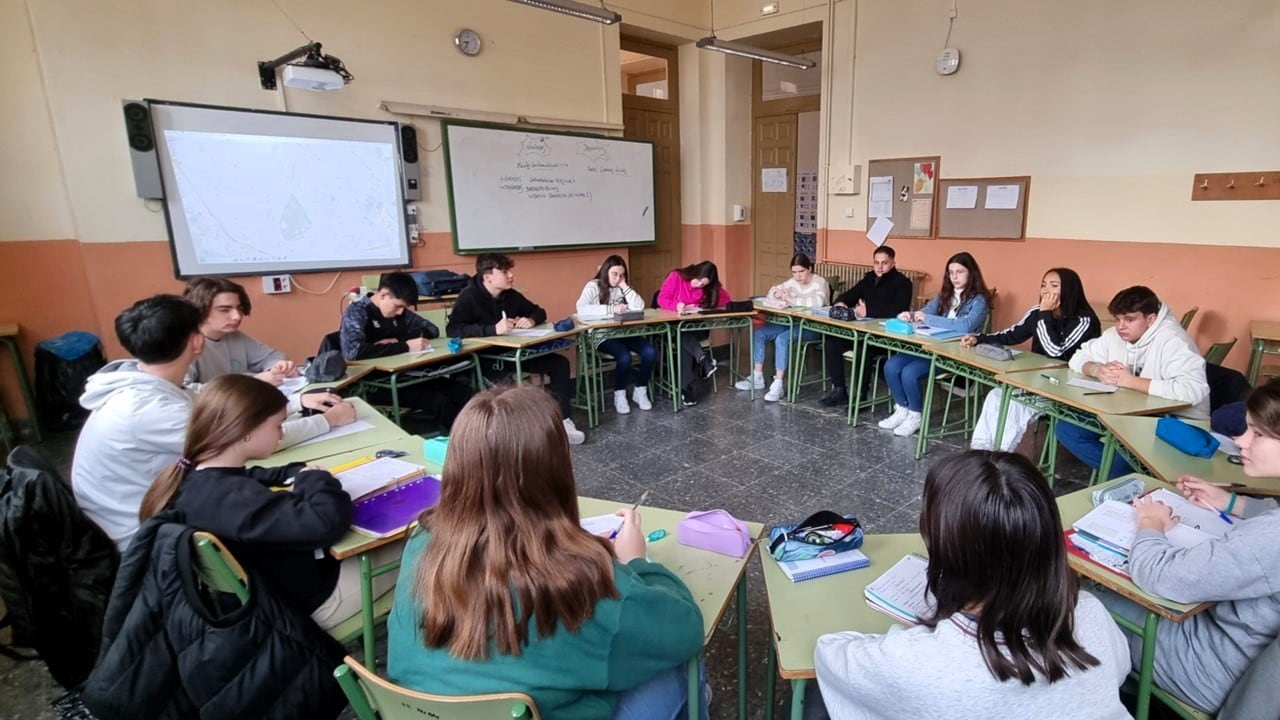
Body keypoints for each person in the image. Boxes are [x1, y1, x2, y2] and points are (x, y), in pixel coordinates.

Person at [386, 385, 706, 719]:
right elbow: (685, 629)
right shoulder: (581, 576)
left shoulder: (422, 543)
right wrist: (637, 561)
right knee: (679, 667)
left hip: (421, 712)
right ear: (555, 469)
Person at [813, 451, 1131, 719]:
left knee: (811, 703)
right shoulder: (1091, 613)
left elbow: (830, 653)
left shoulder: (918, 663)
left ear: (945, 548)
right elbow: (1117, 672)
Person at [72, 295, 354, 551]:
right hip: (144, 537)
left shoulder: (146, 383)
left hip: (154, 510)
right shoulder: (148, 410)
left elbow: (212, 403)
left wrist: (295, 404)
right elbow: (251, 436)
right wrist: (328, 421)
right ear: (197, 341)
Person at [1103, 378, 1280, 713]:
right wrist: (1232, 503)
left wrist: (1150, 525)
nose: (1240, 441)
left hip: (1216, 667)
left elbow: (1160, 576)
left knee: (1086, 603)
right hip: (1239, 645)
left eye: (1257, 433)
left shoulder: (1272, 538)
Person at [136, 374, 367, 629]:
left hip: (266, 594)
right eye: (278, 425)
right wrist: (316, 478)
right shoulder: (237, 501)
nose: (281, 434)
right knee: (411, 548)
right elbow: (328, 522)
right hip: (305, 605)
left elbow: (249, 474)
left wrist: (294, 471)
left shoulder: (193, 477)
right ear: (246, 430)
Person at [1055, 286, 1209, 478]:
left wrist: (1130, 381)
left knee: (1124, 452)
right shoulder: (1115, 334)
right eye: (1117, 319)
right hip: (1127, 412)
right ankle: (1130, 472)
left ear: (1151, 319)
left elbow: (1193, 390)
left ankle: (1133, 473)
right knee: (1068, 429)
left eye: (1129, 319)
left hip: (1174, 421)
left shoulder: (1174, 340)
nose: (1121, 326)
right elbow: (1077, 358)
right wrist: (1097, 369)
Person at [447, 253, 584, 444]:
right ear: (488, 276)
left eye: (510, 270)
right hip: (488, 359)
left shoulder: (509, 294)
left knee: (559, 363)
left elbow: (539, 311)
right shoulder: (469, 296)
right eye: (504, 272)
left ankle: (564, 422)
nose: (511, 275)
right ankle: (518, 436)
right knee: (508, 391)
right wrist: (492, 329)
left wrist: (530, 319)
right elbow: (453, 329)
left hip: (515, 352)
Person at [964, 268, 1101, 451]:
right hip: (1037, 380)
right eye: (1043, 285)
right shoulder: (1038, 312)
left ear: (1069, 290)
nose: (1045, 291)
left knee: (1014, 403)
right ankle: (980, 449)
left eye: (1054, 286)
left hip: (1065, 389)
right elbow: (1011, 335)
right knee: (996, 395)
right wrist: (979, 338)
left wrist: (1045, 315)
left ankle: (1000, 455)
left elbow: (1055, 351)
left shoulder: (1084, 320)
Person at [340, 272, 475, 430]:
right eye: (398, 306)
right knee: (439, 401)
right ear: (384, 295)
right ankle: (463, 441)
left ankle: (483, 435)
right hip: (376, 383)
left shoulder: (401, 312)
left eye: (404, 308)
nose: (400, 312)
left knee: (465, 393)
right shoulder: (358, 312)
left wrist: (398, 341)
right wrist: (406, 346)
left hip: (408, 375)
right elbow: (353, 352)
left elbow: (432, 330)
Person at [879, 252, 990, 438]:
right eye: (951, 272)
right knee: (891, 365)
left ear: (971, 273)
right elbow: (924, 312)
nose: (954, 277)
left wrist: (929, 318)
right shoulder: (945, 295)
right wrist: (909, 315)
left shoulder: (979, 300)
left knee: (910, 372)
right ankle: (902, 409)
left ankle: (915, 415)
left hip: (955, 352)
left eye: (960, 272)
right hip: (931, 347)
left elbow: (965, 326)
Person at [818, 246, 913, 408]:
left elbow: (898, 309)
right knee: (832, 342)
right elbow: (850, 294)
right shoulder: (869, 279)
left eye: (884, 263)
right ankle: (840, 390)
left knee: (863, 350)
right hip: (863, 331)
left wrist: (868, 311)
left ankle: (861, 396)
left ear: (893, 263)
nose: (880, 267)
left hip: (885, 336)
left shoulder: (902, 283)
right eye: (876, 263)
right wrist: (841, 302)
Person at [736, 253, 829, 402]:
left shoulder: (820, 282)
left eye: (801, 271)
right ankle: (757, 376)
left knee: (782, 339)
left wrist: (791, 299)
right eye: (794, 272)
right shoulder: (792, 282)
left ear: (810, 269)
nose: (797, 276)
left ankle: (778, 383)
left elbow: (817, 302)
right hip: (792, 322)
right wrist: (777, 293)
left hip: (813, 327)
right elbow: (771, 291)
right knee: (760, 334)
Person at [576, 255, 655, 415]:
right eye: (614, 274)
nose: (618, 278)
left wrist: (624, 285)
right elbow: (581, 309)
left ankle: (640, 391)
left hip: (624, 332)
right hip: (601, 336)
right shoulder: (593, 286)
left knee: (650, 351)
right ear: (605, 272)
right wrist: (611, 309)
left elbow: (639, 306)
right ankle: (620, 394)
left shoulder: (621, 286)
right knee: (624, 356)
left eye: (622, 275)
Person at [656, 261, 732, 407]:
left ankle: (699, 369)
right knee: (682, 335)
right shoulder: (676, 276)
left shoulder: (706, 288)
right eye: (698, 280)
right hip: (673, 327)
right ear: (694, 272)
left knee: (684, 335)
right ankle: (696, 373)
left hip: (696, 328)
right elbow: (661, 299)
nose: (698, 285)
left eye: (703, 284)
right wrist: (676, 305)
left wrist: (702, 304)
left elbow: (726, 299)